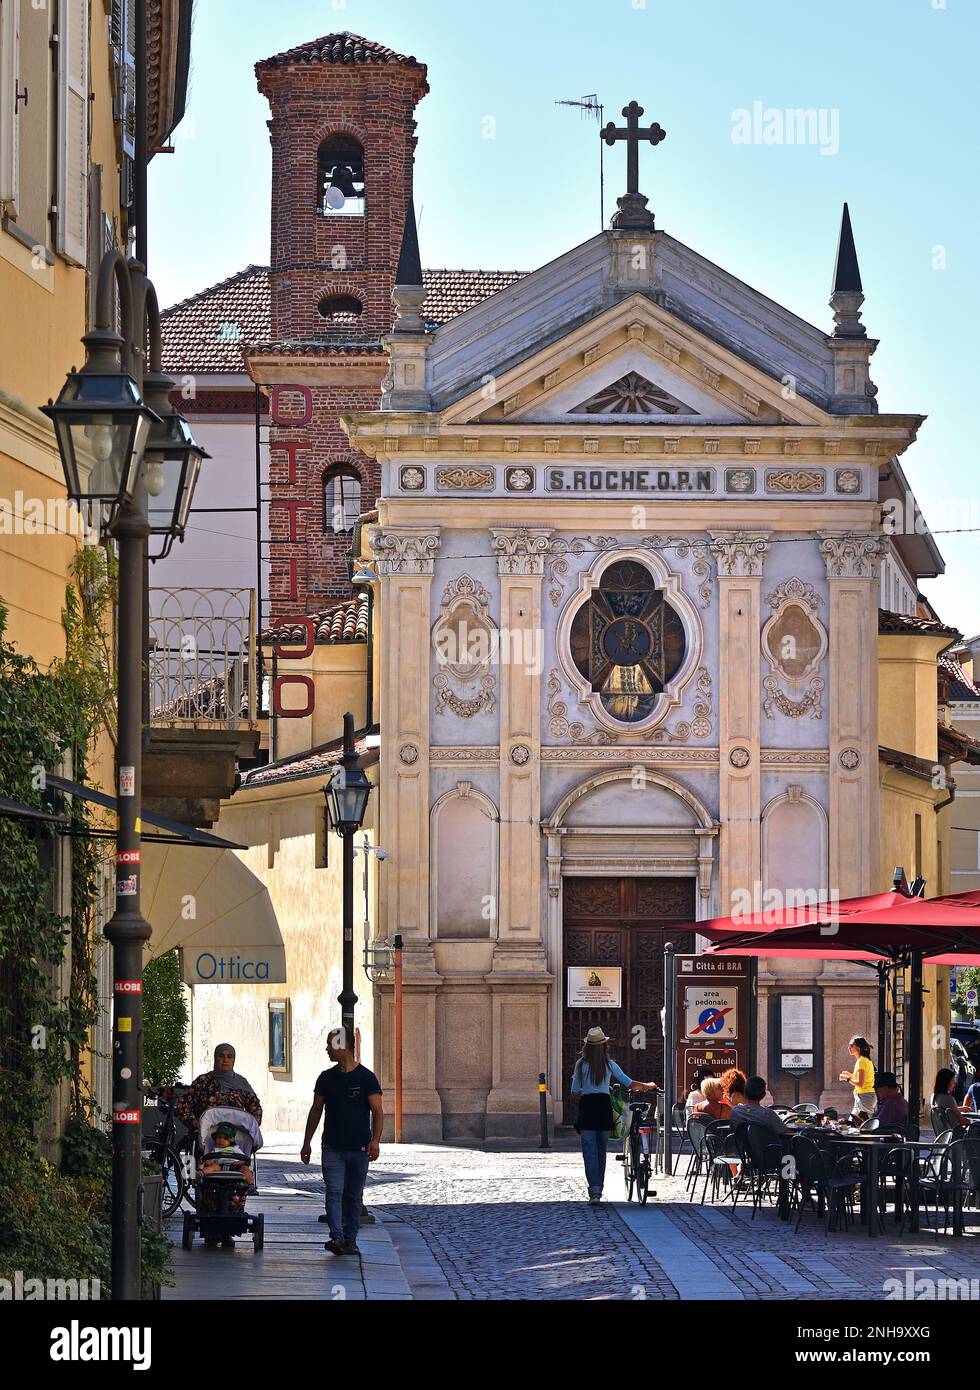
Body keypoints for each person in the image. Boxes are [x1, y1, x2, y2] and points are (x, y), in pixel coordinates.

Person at [300, 1028, 383, 1257]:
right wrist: (306, 1142)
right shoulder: (326, 1078)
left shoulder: (366, 1078)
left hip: (359, 1148)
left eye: (330, 1044)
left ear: (342, 1045)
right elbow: (316, 1111)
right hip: (332, 1147)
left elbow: (377, 1111)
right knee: (334, 1191)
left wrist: (375, 1141)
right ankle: (336, 1237)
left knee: (354, 1197)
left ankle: (350, 1240)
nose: (327, 1049)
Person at [570, 1026, 658, 1205]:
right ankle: (598, 1190)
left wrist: (587, 1090)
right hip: (604, 1107)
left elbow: (573, 1092)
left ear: (587, 1046)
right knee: (601, 1151)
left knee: (589, 1152)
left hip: (587, 1108)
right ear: (604, 1046)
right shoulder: (609, 1064)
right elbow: (629, 1083)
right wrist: (647, 1085)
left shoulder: (581, 1064)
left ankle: (593, 1191)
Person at [175, 1043, 263, 1132]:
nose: (225, 1060)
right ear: (215, 1058)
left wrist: (248, 1128)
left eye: (229, 1057)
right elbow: (183, 1105)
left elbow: (256, 1109)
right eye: (221, 1056)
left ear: (233, 1060)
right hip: (204, 1137)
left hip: (234, 1138)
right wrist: (195, 1123)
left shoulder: (241, 1082)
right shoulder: (203, 1081)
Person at [201, 1120, 254, 1184]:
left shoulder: (235, 1149)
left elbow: (244, 1158)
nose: (221, 1140)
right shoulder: (215, 1150)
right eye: (219, 1137)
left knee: (245, 1169)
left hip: (235, 1166)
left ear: (231, 1141)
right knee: (213, 1166)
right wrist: (208, 1161)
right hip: (220, 1166)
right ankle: (201, 1174)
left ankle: (251, 1184)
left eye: (225, 1138)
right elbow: (209, 1160)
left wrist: (240, 1162)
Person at [838, 1036, 876, 1121]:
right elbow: (862, 1079)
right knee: (853, 1122)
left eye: (851, 1045)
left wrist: (847, 1079)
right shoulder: (863, 1060)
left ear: (858, 1047)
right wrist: (850, 1075)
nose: (849, 1048)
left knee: (866, 1123)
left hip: (864, 1096)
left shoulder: (861, 1061)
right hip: (862, 1096)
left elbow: (860, 1083)